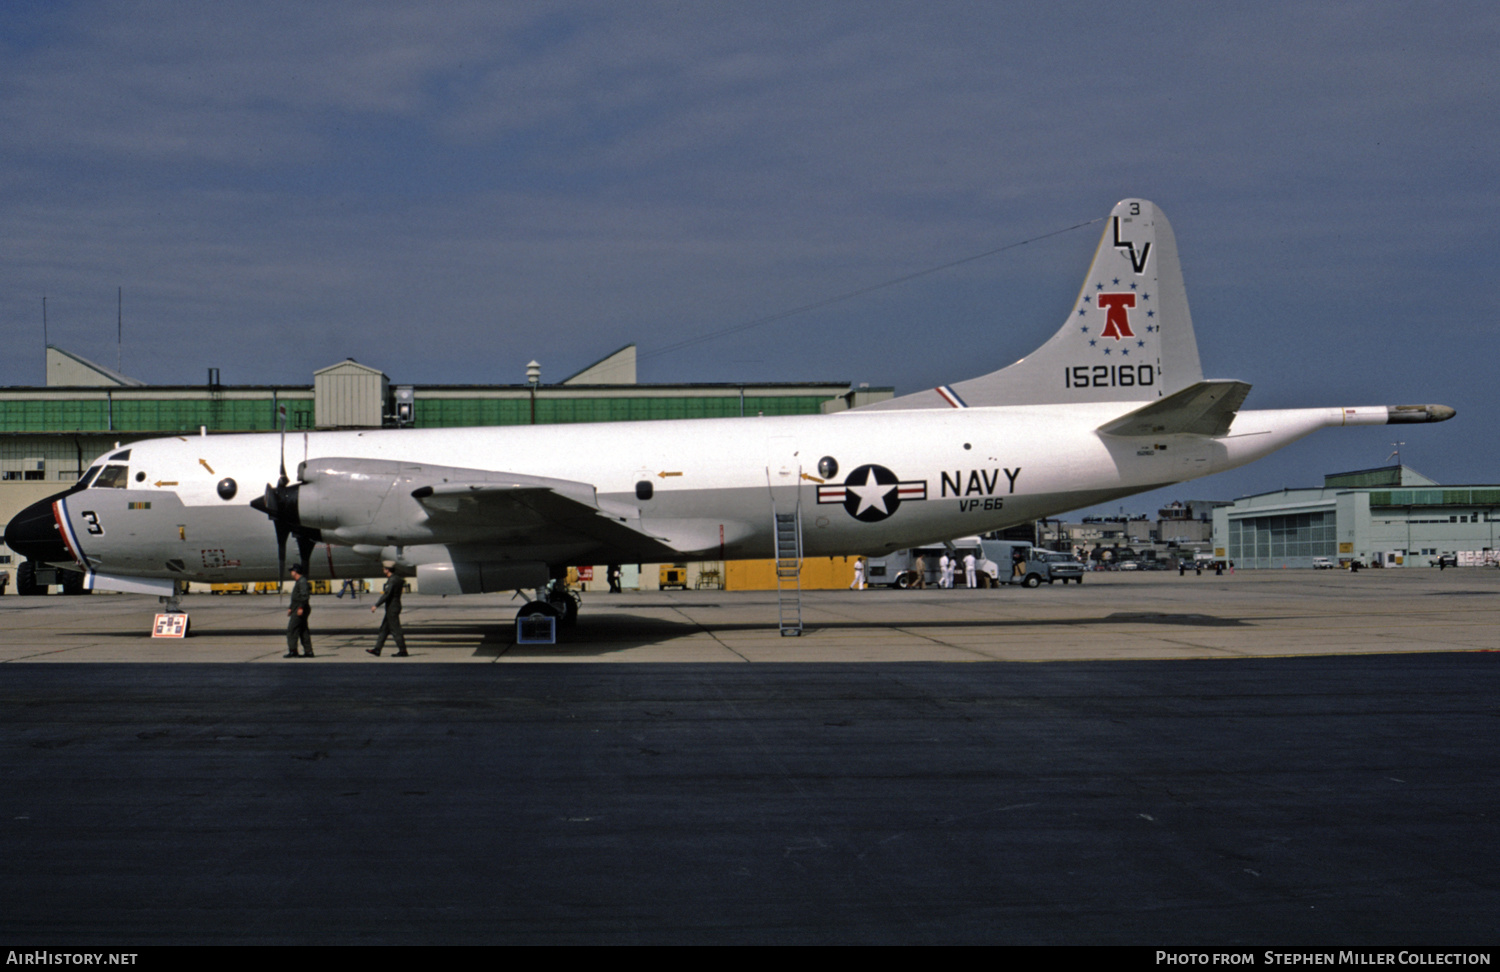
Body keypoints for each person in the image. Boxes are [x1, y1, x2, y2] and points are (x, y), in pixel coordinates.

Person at [367, 564, 408, 657]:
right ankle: (377, 649)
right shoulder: (397, 578)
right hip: (394, 606)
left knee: (395, 629)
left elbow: (387, 594)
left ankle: (403, 650)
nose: (383, 570)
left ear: (387, 570)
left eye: (384, 569)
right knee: (384, 629)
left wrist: (376, 605)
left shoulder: (392, 580)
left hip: (392, 607)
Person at [285, 564, 313, 658]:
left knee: (292, 630)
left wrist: (300, 608)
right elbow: (296, 597)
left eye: (292, 570)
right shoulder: (299, 581)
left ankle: (293, 651)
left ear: (296, 571)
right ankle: (308, 651)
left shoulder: (302, 582)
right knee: (303, 630)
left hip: (300, 608)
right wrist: (290, 608)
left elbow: (304, 596)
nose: (291, 572)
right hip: (297, 607)